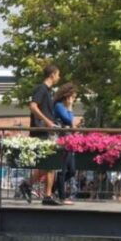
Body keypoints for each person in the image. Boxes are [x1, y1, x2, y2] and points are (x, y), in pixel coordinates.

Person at [19, 65, 61, 205]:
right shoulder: (41, 89)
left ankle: (28, 184)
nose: (59, 78)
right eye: (58, 75)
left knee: (49, 164)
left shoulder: (48, 91)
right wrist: (48, 122)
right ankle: (47, 196)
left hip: (46, 130)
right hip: (41, 131)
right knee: (51, 163)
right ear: (52, 75)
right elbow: (33, 106)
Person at [53, 83, 80, 205]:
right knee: (63, 170)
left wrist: (70, 109)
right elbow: (70, 121)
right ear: (67, 96)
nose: (74, 100)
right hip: (62, 141)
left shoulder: (66, 108)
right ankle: (62, 197)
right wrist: (69, 107)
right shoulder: (59, 106)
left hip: (69, 141)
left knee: (72, 171)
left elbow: (72, 124)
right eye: (73, 97)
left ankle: (52, 189)